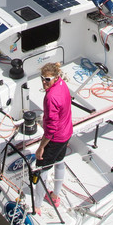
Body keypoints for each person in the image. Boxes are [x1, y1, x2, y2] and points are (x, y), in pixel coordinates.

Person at [36, 61, 73, 209]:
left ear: (56, 78)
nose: (44, 82)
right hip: (66, 133)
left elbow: (51, 130)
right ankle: (55, 196)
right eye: (42, 78)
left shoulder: (51, 97)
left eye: (47, 79)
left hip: (56, 138)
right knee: (59, 161)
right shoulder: (62, 84)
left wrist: (41, 147)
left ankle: (37, 206)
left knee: (43, 170)